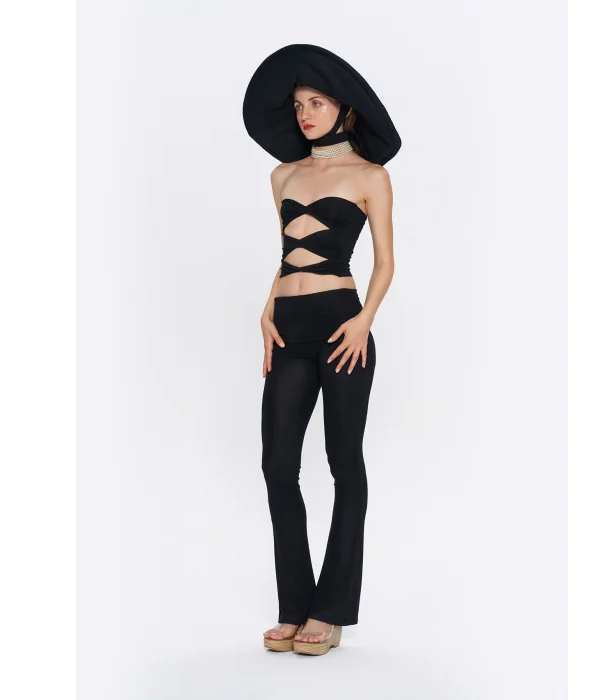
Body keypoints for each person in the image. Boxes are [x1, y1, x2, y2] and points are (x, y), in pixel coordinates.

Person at [242, 44, 401, 656]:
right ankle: (294, 604)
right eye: (299, 105)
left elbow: (385, 262)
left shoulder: (370, 176)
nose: (305, 114)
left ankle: (329, 611)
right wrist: (267, 308)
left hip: (341, 326)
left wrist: (364, 321)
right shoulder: (282, 175)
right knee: (277, 466)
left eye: (317, 102)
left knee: (343, 462)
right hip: (288, 326)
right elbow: (288, 256)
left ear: (344, 109)